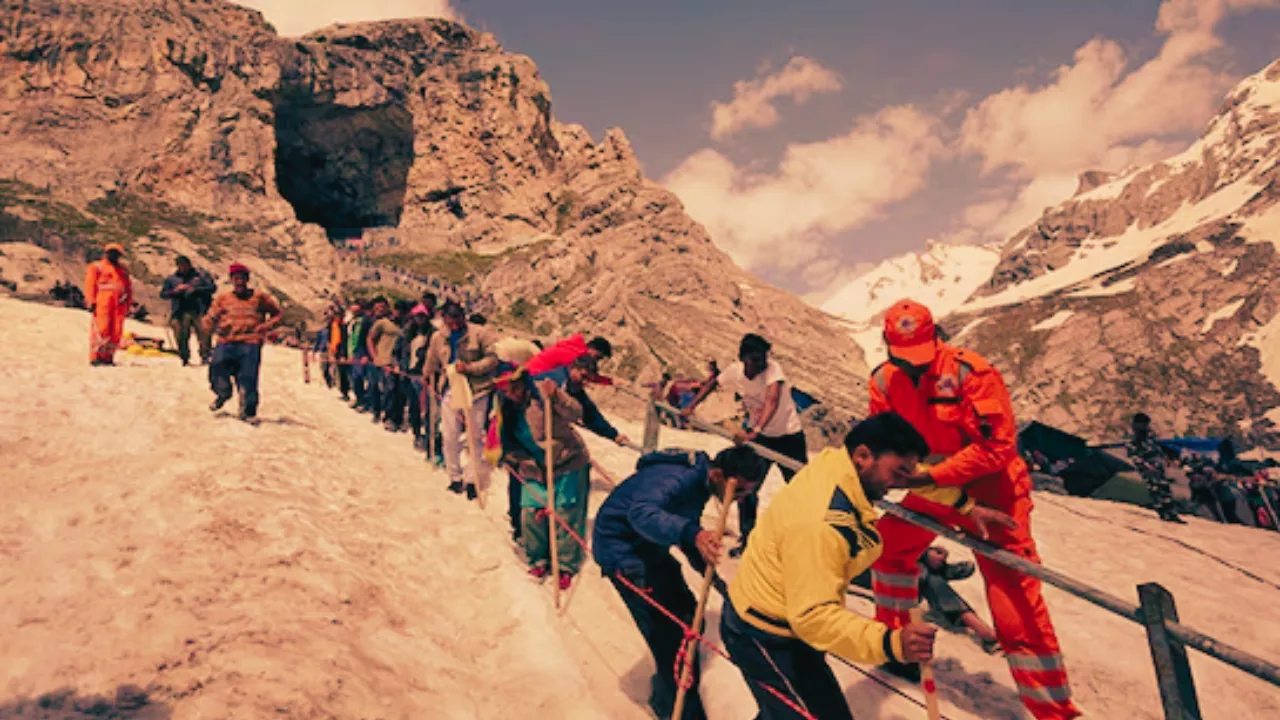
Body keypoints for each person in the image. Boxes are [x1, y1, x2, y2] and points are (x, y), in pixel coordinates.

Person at [866, 300, 1081, 719]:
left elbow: (997, 447)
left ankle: (1054, 711)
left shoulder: (972, 373)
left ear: (937, 337)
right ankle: (897, 648)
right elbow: (883, 439)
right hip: (934, 488)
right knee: (888, 549)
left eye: (919, 356)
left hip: (992, 494)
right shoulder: (884, 381)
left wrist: (930, 477)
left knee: (1013, 600)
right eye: (903, 357)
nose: (913, 366)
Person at [721, 413, 1005, 719]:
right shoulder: (821, 525)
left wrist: (963, 505)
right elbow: (813, 616)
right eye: (897, 473)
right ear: (863, 456)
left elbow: (910, 474)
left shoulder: (838, 465)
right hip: (765, 633)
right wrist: (891, 643)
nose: (901, 484)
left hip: (781, 615)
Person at [593, 445, 771, 720]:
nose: (738, 499)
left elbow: (685, 529)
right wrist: (693, 534)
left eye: (746, 494)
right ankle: (677, 710)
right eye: (737, 491)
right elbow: (642, 514)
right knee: (669, 635)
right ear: (718, 475)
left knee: (688, 615)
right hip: (624, 554)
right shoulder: (677, 479)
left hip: (649, 547)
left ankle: (668, 692)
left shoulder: (701, 483)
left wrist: (711, 572)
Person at [682, 333, 808, 557]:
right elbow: (713, 384)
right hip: (760, 438)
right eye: (755, 359)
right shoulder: (735, 371)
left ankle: (805, 541)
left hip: (788, 437)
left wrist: (755, 430)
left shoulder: (773, 370)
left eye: (763, 358)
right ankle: (748, 540)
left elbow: (772, 400)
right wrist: (691, 406)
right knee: (747, 488)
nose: (761, 364)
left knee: (802, 489)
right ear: (743, 358)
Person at [495, 368, 590, 589]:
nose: (512, 393)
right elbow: (501, 439)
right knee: (531, 513)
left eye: (516, 387)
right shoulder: (503, 407)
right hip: (532, 466)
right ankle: (538, 559)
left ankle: (565, 564)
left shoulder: (543, 393)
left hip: (567, 461)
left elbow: (576, 412)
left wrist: (556, 396)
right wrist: (510, 456)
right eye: (506, 390)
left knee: (565, 513)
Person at [852, 546, 999, 654]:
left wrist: (925, 551)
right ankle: (942, 572)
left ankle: (939, 569)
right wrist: (924, 554)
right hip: (858, 569)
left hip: (870, 558)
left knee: (917, 567)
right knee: (920, 573)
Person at [424, 301, 500, 500]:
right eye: (450, 322)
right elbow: (432, 359)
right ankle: (454, 477)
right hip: (450, 389)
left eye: (458, 320)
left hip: (477, 390)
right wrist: (427, 375)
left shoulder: (480, 334)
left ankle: (472, 480)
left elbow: (492, 358)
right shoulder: (438, 337)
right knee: (449, 434)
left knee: (474, 435)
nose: (455, 325)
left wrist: (470, 368)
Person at [204, 263, 282, 421]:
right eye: (236, 278)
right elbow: (209, 319)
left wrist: (266, 326)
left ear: (247, 279)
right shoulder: (223, 299)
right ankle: (223, 393)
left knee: (248, 377)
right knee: (217, 367)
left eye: (242, 278)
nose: (239, 282)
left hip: (250, 342)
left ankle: (248, 412)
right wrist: (210, 324)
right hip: (226, 341)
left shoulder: (259, 297)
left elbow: (277, 314)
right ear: (231, 280)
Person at [1125, 413, 1183, 523]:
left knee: (1165, 489)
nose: (1146, 427)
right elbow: (1134, 455)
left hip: (1157, 467)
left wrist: (1167, 458)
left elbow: (1159, 449)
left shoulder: (1150, 437)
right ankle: (1163, 512)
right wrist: (1145, 465)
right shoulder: (1134, 440)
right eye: (1144, 424)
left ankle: (1171, 513)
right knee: (1156, 490)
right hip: (1148, 469)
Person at [159, 255, 216, 366]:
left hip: (199, 309)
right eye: (180, 265)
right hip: (180, 311)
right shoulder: (172, 279)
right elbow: (163, 294)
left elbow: (212, 288)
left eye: (184, 265)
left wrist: (195, 289)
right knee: (180, 334)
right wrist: (175, 291)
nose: (183, 267)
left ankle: (205, 356)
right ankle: (184, 357)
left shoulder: (201, 276)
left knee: (204, 333)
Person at [84, 243, 133, 366]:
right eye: (111, 252)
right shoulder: (97, 267)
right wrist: (91, 301)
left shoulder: (123, 271)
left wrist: (128, 304)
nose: (114, 255)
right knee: (102, 328)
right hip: (103, 301)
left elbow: (128, 288)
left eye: (116, 253)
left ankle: (108, 357)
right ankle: (96, 357)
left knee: (116, 330)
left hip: (119, 304)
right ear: (106, 253)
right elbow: (90, 284)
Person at [364, 297, 402, 425]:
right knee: (377, 387)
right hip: (382, 360)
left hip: (395, 362)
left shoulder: (403, 324)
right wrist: (375, 356)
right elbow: (370, 339)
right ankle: (378, 412)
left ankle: (389, 416)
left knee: (391, 390)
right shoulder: (382, 323)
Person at [524, 333, 613, 376]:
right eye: (598, 357)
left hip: (532, 372)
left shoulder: (573, 349)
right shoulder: (574, 355)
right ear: (592, 348)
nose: (596, 360)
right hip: (534, 375)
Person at [346, 302, 371, 411]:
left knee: (361, 378)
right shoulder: (352, 321)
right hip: (353, 352)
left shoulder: (365, 320)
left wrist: (365, 354)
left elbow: (364, 338)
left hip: (361, 352)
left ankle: (364, 401)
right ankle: (359, 398)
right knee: (355, 378)